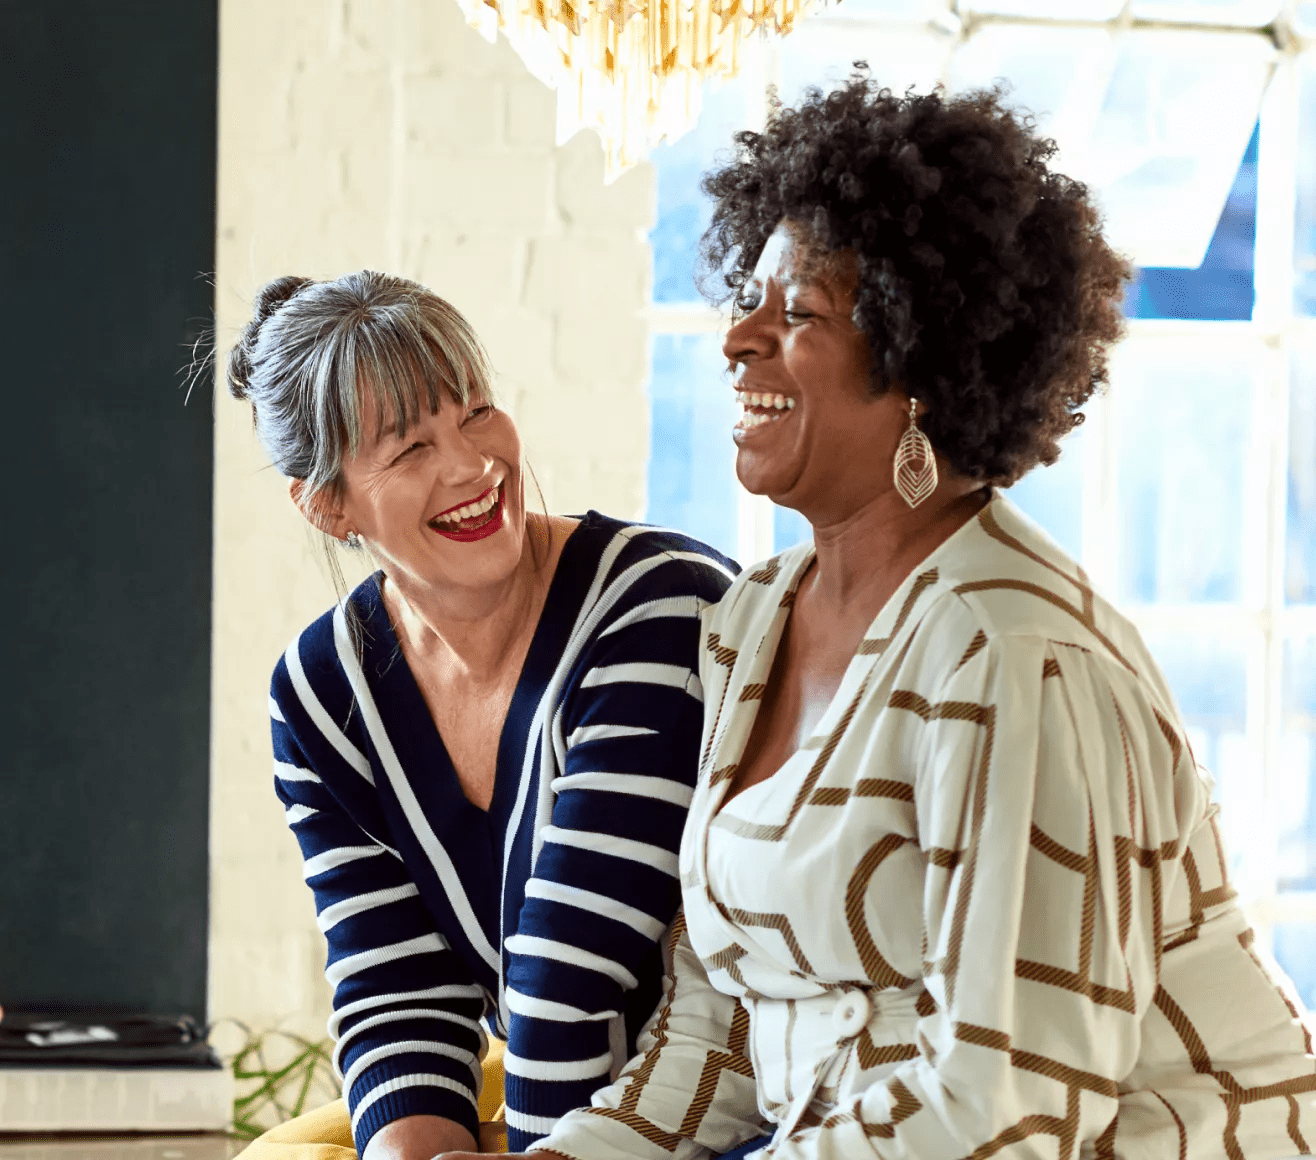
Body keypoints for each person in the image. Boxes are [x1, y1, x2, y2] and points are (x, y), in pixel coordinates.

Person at [508, 80, 1316, 1160]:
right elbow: (722, 1029)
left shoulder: (1013, 655)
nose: (737, 338)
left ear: (916, 364)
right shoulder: (751, 622)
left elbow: (1006, 1113)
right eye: (748, 300)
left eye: (795, 312)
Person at [226, 271, 737, 1160]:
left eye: (476, 412)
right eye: (408, 448)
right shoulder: (319, 692)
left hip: (707, 1089)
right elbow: (393, 983)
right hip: (547, 1080)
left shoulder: (659, 605)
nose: (472, 465)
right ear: (326, 501)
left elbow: (572, 972)